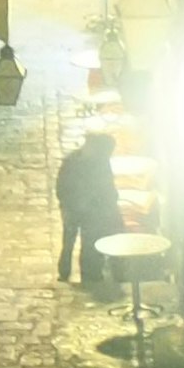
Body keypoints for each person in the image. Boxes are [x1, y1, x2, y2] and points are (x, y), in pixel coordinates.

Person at [54, 117, 119, 292]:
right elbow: (62, 186)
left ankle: (87, 275)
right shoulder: (76, 162)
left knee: (86, 243)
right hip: (76, 209)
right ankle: (68, 272)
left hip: (88, 210)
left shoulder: (93, 162)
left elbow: (107, 186)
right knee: (70, 242)